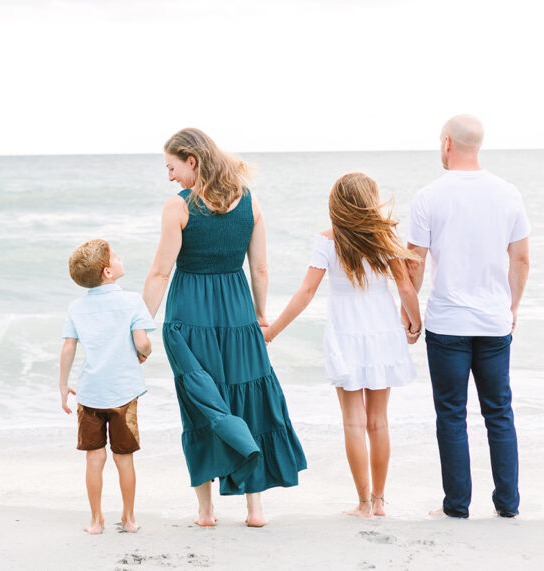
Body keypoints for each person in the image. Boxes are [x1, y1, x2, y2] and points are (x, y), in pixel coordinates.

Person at [142, 127, 306, 528]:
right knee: (248, 401)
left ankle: (206, 511)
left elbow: (161, 273)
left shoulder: (177, 208)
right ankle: (255, 510)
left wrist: (140, 326)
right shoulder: (250, 202)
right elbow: (261, 268)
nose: (170, 177)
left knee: (201, 404)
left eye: (172, 167)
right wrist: (261, 313)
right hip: (238, 314)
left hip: (189, 317)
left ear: (192, 161)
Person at [261, 172, 422, 518]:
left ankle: (363, 503)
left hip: (347, 334)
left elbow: (305, 294)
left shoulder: (327, 240)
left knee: (353, 422)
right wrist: (415, 323)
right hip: (382, 332)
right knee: (378, 421)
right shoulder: (384, 237)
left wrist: (272, 331)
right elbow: (406, 288)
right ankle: (379, 502)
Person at [405, 114, 531, 519]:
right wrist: (511, 306)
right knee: (499, 412)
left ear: (446, 143)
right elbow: (521, 258)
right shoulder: (508, 193)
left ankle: (457, 506)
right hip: (493, 323)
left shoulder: (429, 196)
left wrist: (409, 313)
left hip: (447, 324)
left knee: (451, 414)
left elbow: (414, 265)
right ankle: (507, 504)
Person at [59, 239, 155, 534]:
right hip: (123, 394)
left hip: (89, 395)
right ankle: (128, 518)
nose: (120, 257)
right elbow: (142, 342)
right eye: (115, 256)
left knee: (94, 457)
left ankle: (96, 519)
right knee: (123, 458)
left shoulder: (77, 307)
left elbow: (68, 348)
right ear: (107, 272)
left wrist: (63, 386)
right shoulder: (131, 301)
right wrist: (145, 353)